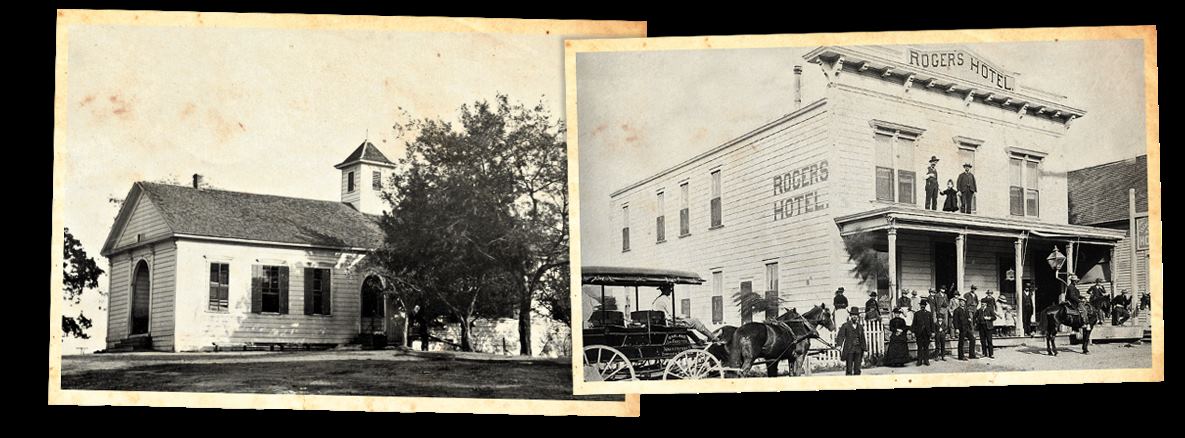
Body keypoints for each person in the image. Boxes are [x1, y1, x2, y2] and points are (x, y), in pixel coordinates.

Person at [835, 307, 868, 375]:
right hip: (849, 349)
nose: (854, 316)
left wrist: (865, 350)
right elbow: (841, 336)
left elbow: (862, 338)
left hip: (858, 350)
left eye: (856, 315)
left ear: (858, 317)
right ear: (850, 316)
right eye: (853, 315)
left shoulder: (860, 327)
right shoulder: (846, 325)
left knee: (857, 369)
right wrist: (839, 345)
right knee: (849, 369)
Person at [912, 301, 934, 366]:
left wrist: (932, 332)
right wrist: (913, 332)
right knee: (919, 347)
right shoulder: (916, 314)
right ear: (920, 306)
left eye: (924, 305)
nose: (922, 306)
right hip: (919, 333)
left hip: (927, 333)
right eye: (921, 305)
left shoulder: (929, 314)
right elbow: (914, 324)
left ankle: (926, 360)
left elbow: (932, 323)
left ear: (925, 306)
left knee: (926, 347)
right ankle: (919, 360)